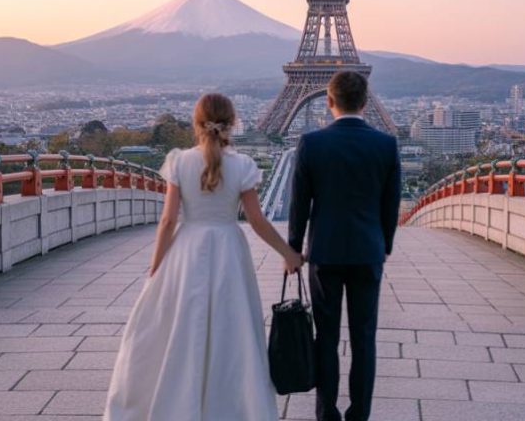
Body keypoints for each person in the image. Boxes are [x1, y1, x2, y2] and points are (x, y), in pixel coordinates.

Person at [104, 93, 303, 421]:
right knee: (232, 328)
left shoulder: (179, 161)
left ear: (196, 123)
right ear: (232, 124)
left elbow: (168, 221)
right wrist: (288, 253)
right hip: (228, 249)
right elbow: (256, 221)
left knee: (181, 325)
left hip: (187, 249)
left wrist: (156, 267)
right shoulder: (243, 166)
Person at [289, 71, 401, 421]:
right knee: (364, 337)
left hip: (324, 252)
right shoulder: (386, 144)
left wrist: (293, 248)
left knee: (326, 336)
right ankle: (359, 414)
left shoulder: (311, 143)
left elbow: (299, 204)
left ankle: (327, 413)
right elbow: (391, 203)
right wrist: (385, 243)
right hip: (368, 251)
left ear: (329, 101)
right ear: (366, 102)